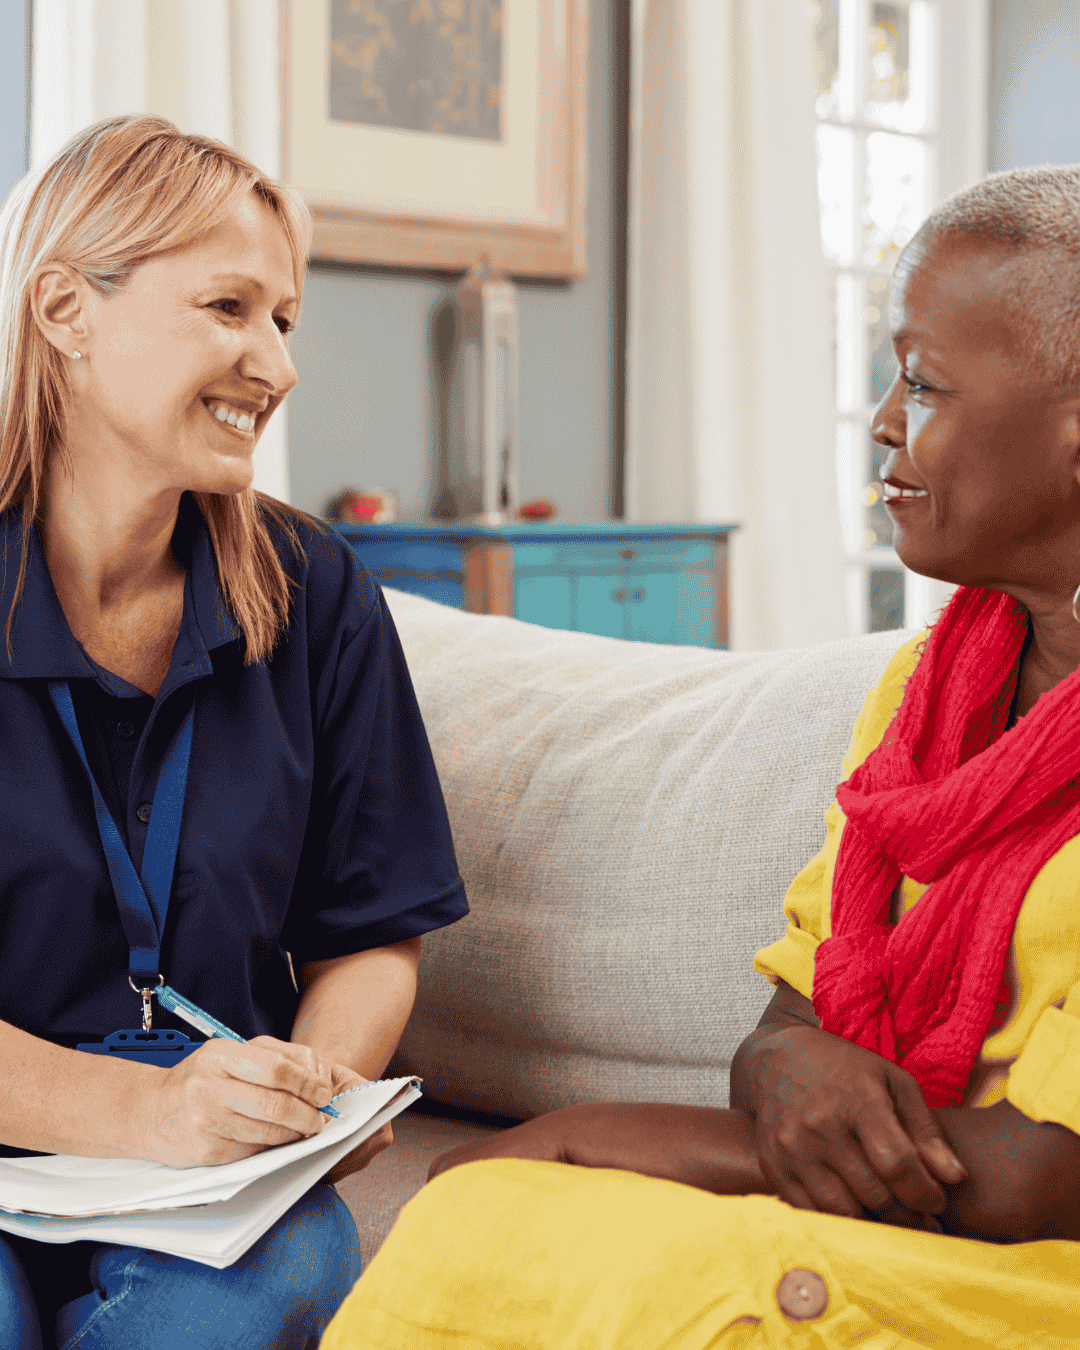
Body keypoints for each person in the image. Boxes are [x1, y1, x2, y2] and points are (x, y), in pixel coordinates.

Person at [320, 164, 1080, 1348]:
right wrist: (784, 1075)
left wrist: (599, 1132)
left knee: (628, 1256)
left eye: (922, 381)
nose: (883, 419)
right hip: (902, 1212)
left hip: (1030, 1265)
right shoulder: (926, 692)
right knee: (490, 1212)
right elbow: (789, 1018)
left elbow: (1041, 1176)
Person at [0, 115, 468, 1350]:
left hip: (215, 1168)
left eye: (284, 320)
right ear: (64, 309)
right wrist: (134, 1113)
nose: (277, 361)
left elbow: (374, 934)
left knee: (256, 1285)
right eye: (229, 307)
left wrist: (308, 1101)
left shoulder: (316, 591)